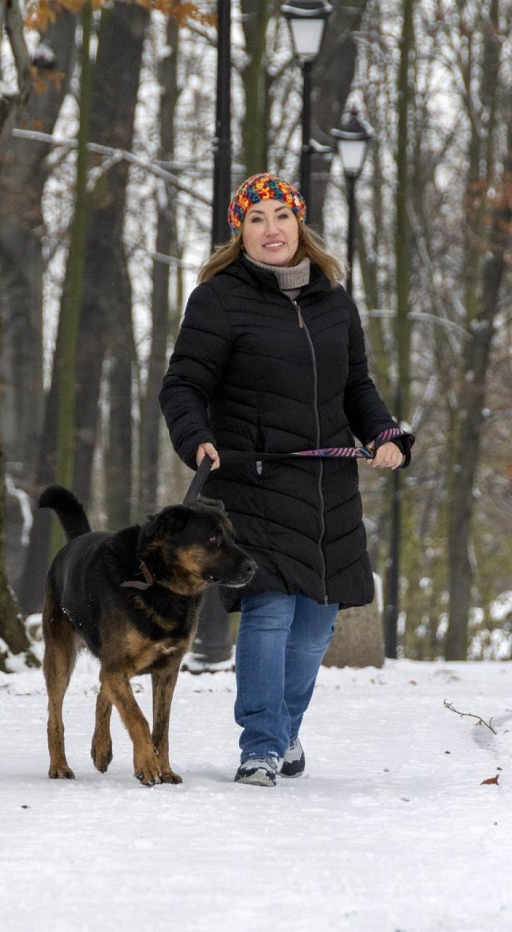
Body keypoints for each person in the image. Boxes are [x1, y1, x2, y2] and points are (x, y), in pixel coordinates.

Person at [160, 172, 414, 787]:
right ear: (239, 232)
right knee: (270, 609)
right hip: (252, 479)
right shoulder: (218, 300)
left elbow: (357, 388)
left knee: (316, 621)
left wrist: (386, 435)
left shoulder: (334, 299)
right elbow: (184, 384)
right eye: (256, 219)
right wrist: (198, 439)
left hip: (327, 487)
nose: (270, 229)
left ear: (299, 222)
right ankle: (261, 744)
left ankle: (286, 729)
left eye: (281, 215)